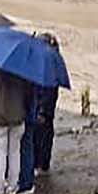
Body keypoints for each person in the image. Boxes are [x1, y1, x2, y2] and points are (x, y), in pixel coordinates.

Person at [34, 34, 60, 176]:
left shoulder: (48, 68)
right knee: (43, 135)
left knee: (42, 136)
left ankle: (42, 165)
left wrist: (42, 111)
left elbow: (49, 92)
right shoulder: (51, 64)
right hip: (44, 108)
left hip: (44, 109)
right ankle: (41, 164)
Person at [16, 82, 37, 194]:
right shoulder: (33, 80)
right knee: (25, 148)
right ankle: (25, 180)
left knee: (25, 149)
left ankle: (26, 182)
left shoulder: (26, 82)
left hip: (25, 117)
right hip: (29, 116)